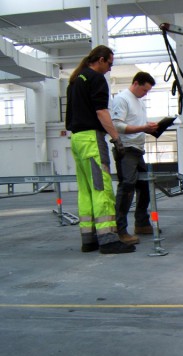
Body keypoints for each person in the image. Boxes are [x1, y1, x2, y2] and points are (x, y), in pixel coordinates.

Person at [66, 45, 135, 254]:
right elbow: (102, 113)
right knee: (102, 189)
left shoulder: (75, 81)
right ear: (101, 60)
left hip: (77, 139)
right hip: (91, 140)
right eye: (110, 64)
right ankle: (108, 240)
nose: (110, 69)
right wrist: (116, 138)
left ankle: (89, 240)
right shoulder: (96, 79)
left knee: (86, 191)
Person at [111, 72, 158, 245]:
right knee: (127, 187)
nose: (146, 94)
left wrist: (149, 127)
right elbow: (117, 125)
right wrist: (143, 128)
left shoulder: (139, 102)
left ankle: (142, 223)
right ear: (136, 83)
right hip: (127, 150)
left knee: (144, 187)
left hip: (138, 150)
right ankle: (120, 230)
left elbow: (136, 124)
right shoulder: (122, 99)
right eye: (144, 90)